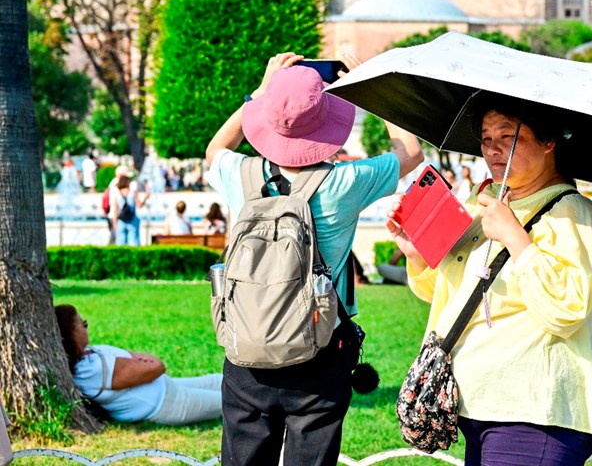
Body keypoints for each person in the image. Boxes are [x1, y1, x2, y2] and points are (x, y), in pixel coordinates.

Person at [205, 52, 423, 466]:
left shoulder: (241, 174)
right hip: (320, 345)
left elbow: (217, 147)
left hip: (246, 345)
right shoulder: (345, 182)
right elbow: (410, 152)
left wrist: (263, 92)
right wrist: (371, 88)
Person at [391, 95, 592, 466]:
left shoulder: (575, 213)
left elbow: (567, 310)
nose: (494, 150)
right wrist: (416, 255)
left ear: (548, 142)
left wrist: (516, 238)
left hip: (534, 412)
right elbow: (452, 296)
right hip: (477, 405)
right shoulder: (491, 205)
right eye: (486, 138)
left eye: (508, 138)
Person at [54, 304, 222, 425]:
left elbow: (139, 361)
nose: (86, 328)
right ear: (73, 333)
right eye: (83, 324)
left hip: (167, 387)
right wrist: (141, 361)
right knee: (229, 402)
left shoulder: (91, 353)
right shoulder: (90, 372)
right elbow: (156, 367)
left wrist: (138, 361)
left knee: (218, 380)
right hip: (168, 404)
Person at [107, 166, 148, 247]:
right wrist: (145, 198)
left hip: (120, 220)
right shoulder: (132, 191)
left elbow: (115, 208)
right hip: (132, 219)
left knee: (120, 245)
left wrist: (115, 222)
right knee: (134, 244)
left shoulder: (116, 190)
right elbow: (139, 205)